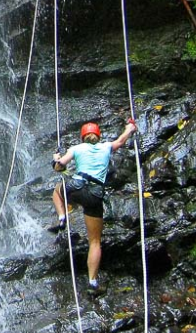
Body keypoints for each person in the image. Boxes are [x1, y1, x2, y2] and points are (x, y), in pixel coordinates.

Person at [48, 118, 137, 295]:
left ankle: (62, 218)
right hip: (95, 194)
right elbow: (120, 141)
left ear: (82, 137)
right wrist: (130, 128)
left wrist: (56, 159)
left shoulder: (77, 148)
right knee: (95, 242)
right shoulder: (106, 147)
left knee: (57, 191)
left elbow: (59, 167)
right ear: (98, 135)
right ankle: (93, 283)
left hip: (77, 187)